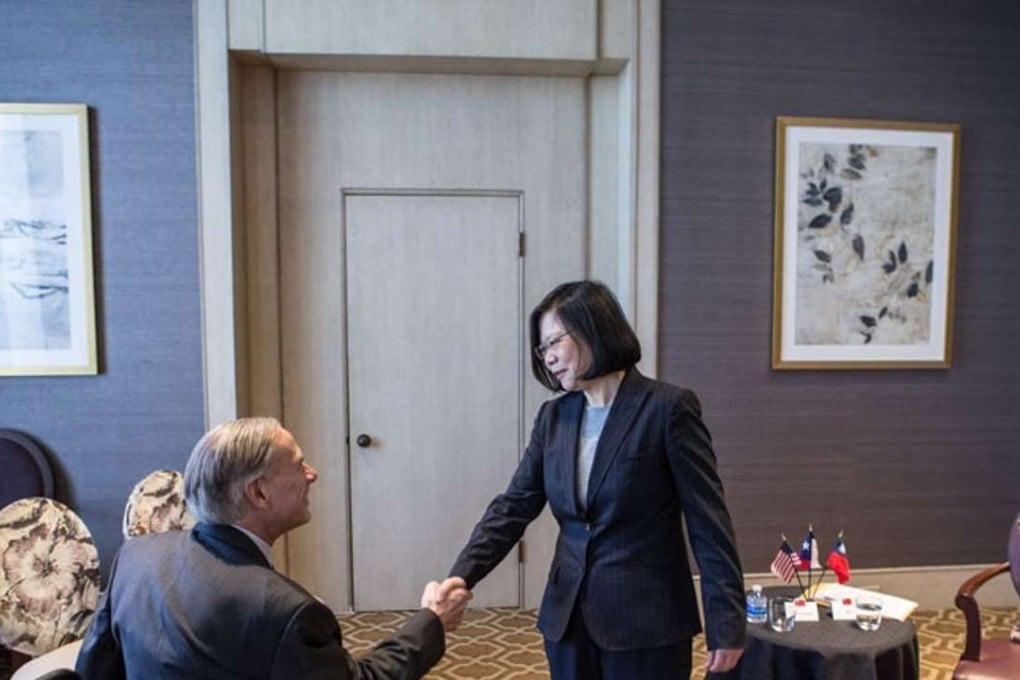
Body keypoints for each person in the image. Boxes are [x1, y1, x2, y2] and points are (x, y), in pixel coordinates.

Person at [445, 280, 746, 679]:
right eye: (542, 348)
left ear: (593, 329)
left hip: (646, 625)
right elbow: (513, 507)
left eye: (555, 342)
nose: (548, 357)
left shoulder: (667, 409)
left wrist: (726, 622)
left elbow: (709, 521)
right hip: (567, 621)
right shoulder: (554, 418)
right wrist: (461, 575)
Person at [76, 417, 471, 680]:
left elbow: (93, 670)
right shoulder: (284, 611)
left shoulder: (137, 557)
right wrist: (432, 620)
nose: (312, 475)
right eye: (299, 465)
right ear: (259, 492)